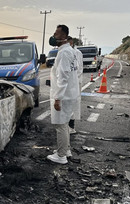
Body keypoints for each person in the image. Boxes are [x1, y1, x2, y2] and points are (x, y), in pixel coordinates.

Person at [46, 25, 80, 164]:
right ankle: (65, 150)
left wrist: (58, 98)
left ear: (64, 36)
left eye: (56, 34)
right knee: (65, 124)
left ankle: (61, 156)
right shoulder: (69, 51)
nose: (53, 36)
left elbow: (63, 76)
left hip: (64, 95)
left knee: (60, 125)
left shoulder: (64, 53)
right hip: (70, 93)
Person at [67, 36, 83, 134]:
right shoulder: (65, 53)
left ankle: (71, 127)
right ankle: (67, 126)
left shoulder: (77, 53)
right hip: (69, 83)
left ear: (71, 43)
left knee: (72, 104)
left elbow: (79, 69)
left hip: (75, 83)